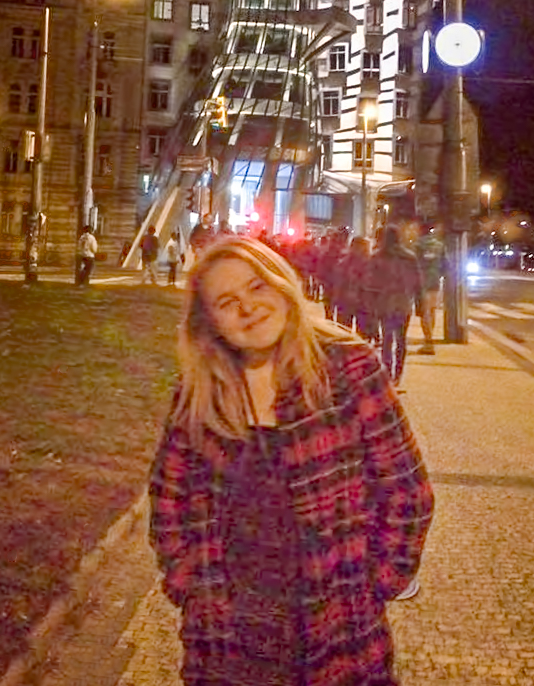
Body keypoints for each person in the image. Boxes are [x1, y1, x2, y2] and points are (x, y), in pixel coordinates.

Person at [150, 236, 434, 686]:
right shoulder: (202, 390)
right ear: (210, 322)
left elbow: (406, 491)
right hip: (227, 639)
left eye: (257, 287)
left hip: (336, 628)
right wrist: (188, 585)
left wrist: (376, 583)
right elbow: (170, 497)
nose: (248, 307)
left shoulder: (348, 367)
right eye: (226, 301)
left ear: (282, 284)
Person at [369, 225, 423, 387]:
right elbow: (417, 282)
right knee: (401, 339)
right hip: (403, 302)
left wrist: (370, 303)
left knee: (387, 338)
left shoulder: (377, 256)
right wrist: (420, 304)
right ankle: (398, 374)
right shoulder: (410, 257)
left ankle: (387, 372)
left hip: (385, 303)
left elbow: (370, 282)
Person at [414, 223, 445, 355]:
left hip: (421, 283)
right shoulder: (439, 246)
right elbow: (445, 264)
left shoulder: (417, 246)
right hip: (435, 282)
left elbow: (413, 264)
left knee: (424, 312)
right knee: (431, 311)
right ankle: (429, 339)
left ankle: (428, 341)